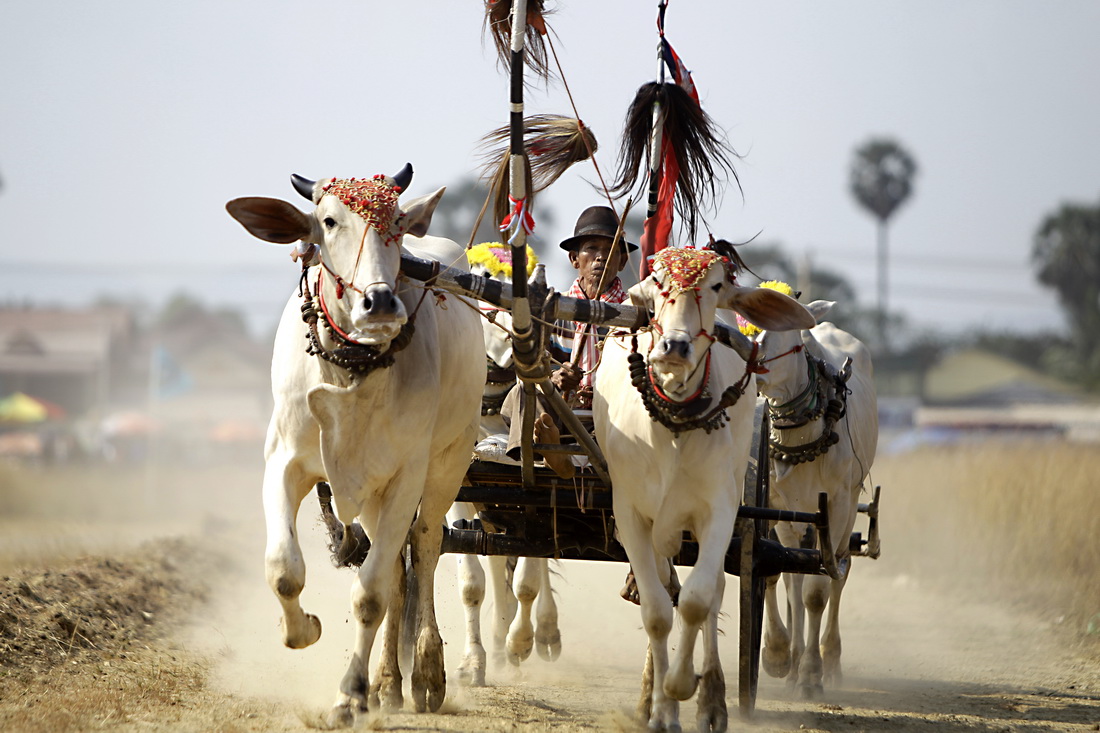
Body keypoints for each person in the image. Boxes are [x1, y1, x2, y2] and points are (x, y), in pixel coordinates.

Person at [500, 205, 638, 478]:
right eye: (591, 249)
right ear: (575, 259)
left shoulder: (633, 315)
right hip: (561, 415)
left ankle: (556, 457)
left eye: (610, 251)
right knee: (523, 391)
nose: (600, 258)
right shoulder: (550, 310)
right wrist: (554, 379)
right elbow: (531, 365)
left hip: (613, 419)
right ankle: (549, 449)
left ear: (622, 261)